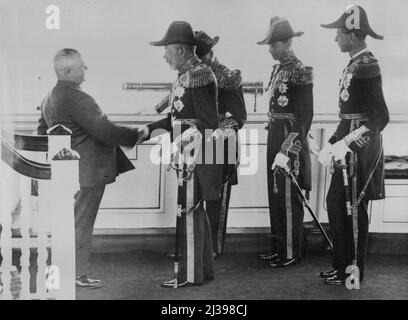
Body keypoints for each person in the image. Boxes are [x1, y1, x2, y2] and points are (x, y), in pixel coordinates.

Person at [37, 48, 142, 288]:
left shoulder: (49, 98)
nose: (86, 70)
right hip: (88, 172)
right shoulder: (78, 97)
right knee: (82, 224)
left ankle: (61, 273)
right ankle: (76, 275)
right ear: (68, 70)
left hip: (67, 173)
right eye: (82, 66)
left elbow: (42, 133)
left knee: (72, 222)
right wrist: (137, 134)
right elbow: (104, 129)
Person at [142, 21, 221, 288]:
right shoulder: (186, 75)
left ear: (182, 51)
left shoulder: (200, 75)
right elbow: (178, 117)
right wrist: (149, 129)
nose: (165, 56)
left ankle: (189, 275)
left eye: (168, 51)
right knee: (195, 211)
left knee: (188, 211)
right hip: (186, 152)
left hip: (193, 155)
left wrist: (186, 147)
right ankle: (202, 270)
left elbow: (208, 122)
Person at [318, 5, 389, 286]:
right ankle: (340, 267)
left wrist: (349, 142)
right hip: (347, 146)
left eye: (339, 33)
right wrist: (333, 143)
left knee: (353, 211)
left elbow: (379, 118)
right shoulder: (353, 64)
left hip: (362, 150)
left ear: (354, 35)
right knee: (336, 205)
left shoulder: (368, 65)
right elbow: (347, 116)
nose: (336, 38)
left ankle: (353, 273)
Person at [256, 17, 314, 267]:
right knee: (276, 194)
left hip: (290, 138)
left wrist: (288, 149)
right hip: (274, 135)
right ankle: (279, 247)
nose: (270, 49)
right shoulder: (278, 69)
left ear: (288, 43)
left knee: (289, 195)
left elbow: (304, 117)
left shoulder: (300, 72)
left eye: (274, 45)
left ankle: (291, 252)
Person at [195, 30, 247, 258]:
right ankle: (196, 244)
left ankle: (213, 247)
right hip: (197, 143)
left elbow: (239, 117)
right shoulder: (195, 76)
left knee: (217, 197)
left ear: (209, 55)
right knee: (194, 192)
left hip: (221, 145)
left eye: (199, 57)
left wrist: (216, 131)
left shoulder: (228, 77)